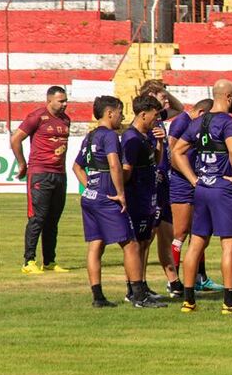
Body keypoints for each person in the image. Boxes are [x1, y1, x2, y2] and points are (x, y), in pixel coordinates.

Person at [171, 79, 232, 314]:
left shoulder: (199, 122)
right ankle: (229, 303)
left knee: (196, 243)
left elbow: (177, 151)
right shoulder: (228, 122)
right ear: (228, 97)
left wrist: (194, 179)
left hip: (202, 188)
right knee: (229, 245)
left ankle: (188, 301)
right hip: (222, 188)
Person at [72, 95, 162, 308]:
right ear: (109, 113)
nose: (122, 116)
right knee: (130, 244)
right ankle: (139, 296)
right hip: (107, 196)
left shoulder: (90, 136)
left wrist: (90, 187)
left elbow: (76, 166)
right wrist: (120, 193)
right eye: (120, 112)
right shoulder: (110, 136)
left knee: (96, 245)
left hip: (91, 197)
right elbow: (114, 165)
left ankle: (98, 297)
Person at [12, 85, 71, 274]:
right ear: (50, 100)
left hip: (60, 174)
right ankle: (29, 261)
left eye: (65, 100)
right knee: (37, 218)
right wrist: (22, 164)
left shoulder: (65, 120)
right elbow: (15, 139)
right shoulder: (37, 116)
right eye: (61, 100)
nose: (65, 104)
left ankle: (49, 261)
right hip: (40, 173)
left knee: (53, 220)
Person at [137, 79, 185, 298]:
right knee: (147, 237)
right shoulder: (143, 125)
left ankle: (174, 282)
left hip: (165, 183)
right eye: (161, 95)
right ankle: (139, 282)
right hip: (152, 184)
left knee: (167, 233)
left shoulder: (158, 119)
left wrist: (164, 92)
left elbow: (180, 108)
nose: (166, 99)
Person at [167, 98, 219, 295]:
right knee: (180, 233)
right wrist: (190, 176)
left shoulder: (195, 124)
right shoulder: (182, 121)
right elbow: (172, 154)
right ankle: (174, 282)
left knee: (199, 232)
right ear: (203, 113)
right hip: (182, 184)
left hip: (192, 181)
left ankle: (199, 278)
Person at [121, 95, 169, 303]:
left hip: (147, 196)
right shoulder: (131, 139)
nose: (156, 120)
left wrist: (160, 142)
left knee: (143, 242)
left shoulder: (145, 136)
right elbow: (126, 172)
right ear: (143, 114)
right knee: (137, 245)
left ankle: (140, 286)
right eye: (155, 115)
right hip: (136, 198)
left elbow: (155, 162)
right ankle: (134, 291)